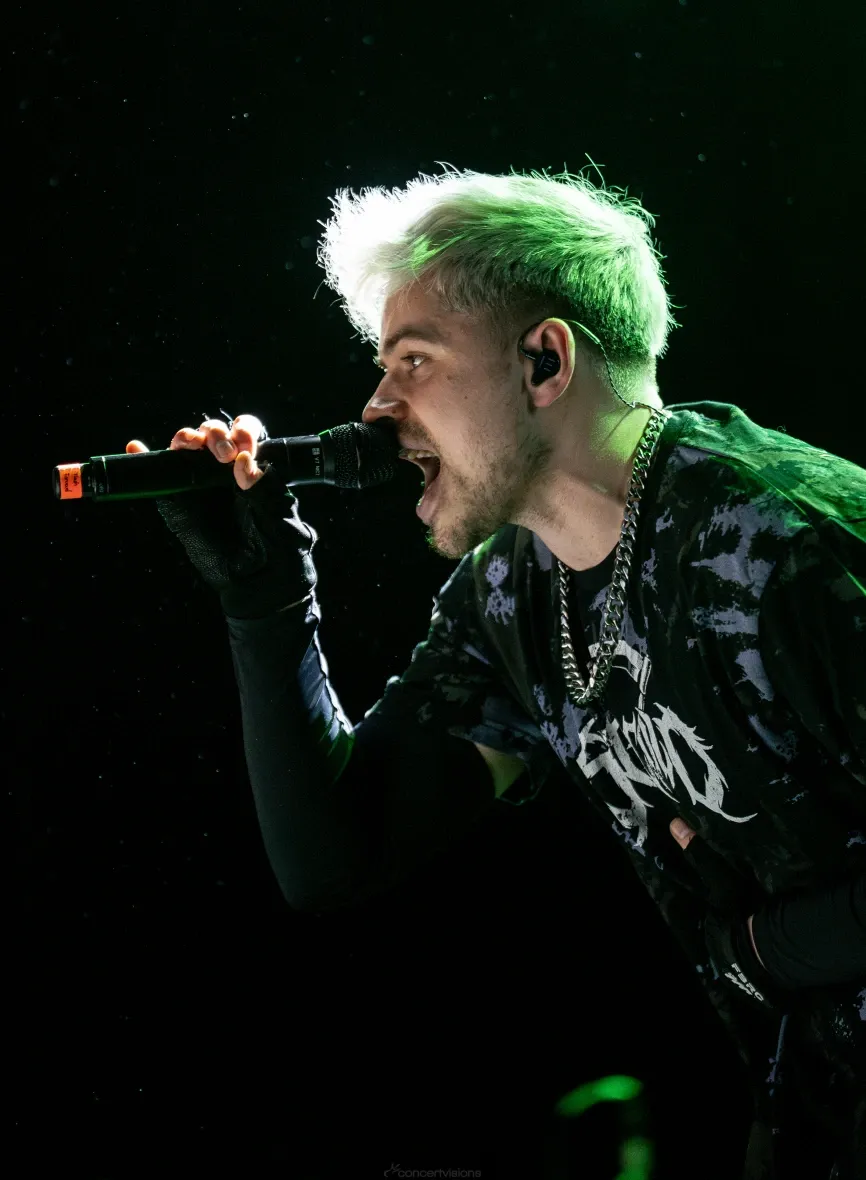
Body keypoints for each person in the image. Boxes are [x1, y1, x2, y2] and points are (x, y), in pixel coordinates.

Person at [128, 165, 865, 1178]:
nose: (377, 408)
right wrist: (264, 599)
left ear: (543, 361)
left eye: (413, 361)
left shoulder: (791, 543)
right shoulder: (511, 593)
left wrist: (759, 950)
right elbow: (336, 856)